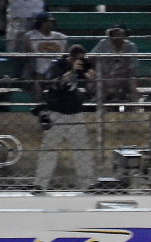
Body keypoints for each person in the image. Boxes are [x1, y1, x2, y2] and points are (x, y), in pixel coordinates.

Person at [34, 45, 95, 190]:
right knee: (49, 150)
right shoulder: (58, 65)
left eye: (82, 59)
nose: (80, 61)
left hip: (76, 113)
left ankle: (88, 184)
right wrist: (71, 71)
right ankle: (40, 184)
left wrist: (89, 78)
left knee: (82, 151)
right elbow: (54, 83)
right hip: (57, 113)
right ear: (70, 57)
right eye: (77, 59)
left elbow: (89, 90)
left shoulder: (84, 67)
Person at [0, 0, 44, 76]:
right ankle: (19, 79)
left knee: (36, 54)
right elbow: (0, 5)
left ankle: (33, 80)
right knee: (16, 55)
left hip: (36, 22)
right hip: (15, 23)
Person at [90, 24, 138, 105]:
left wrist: (125, 76)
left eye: (120, 34)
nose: (117, 36)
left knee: (132, 82)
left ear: (125, 35)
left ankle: (135, 107)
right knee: (97, 79)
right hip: (105, 74)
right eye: (114, 34)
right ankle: (100, 105)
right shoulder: (103, 43)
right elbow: (91, 57)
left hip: (123, 76)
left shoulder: (131, 46)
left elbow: (132, 67)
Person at [23, 11, 67, 89]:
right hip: (39, 73)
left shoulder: (60, 37)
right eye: (47, 22)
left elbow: (66, 55)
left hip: (57, 72)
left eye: (51, 22)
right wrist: (33, 73)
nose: (50, 24)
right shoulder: (31, 36)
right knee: (37, 84)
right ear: (40, 23)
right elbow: (27, 57)